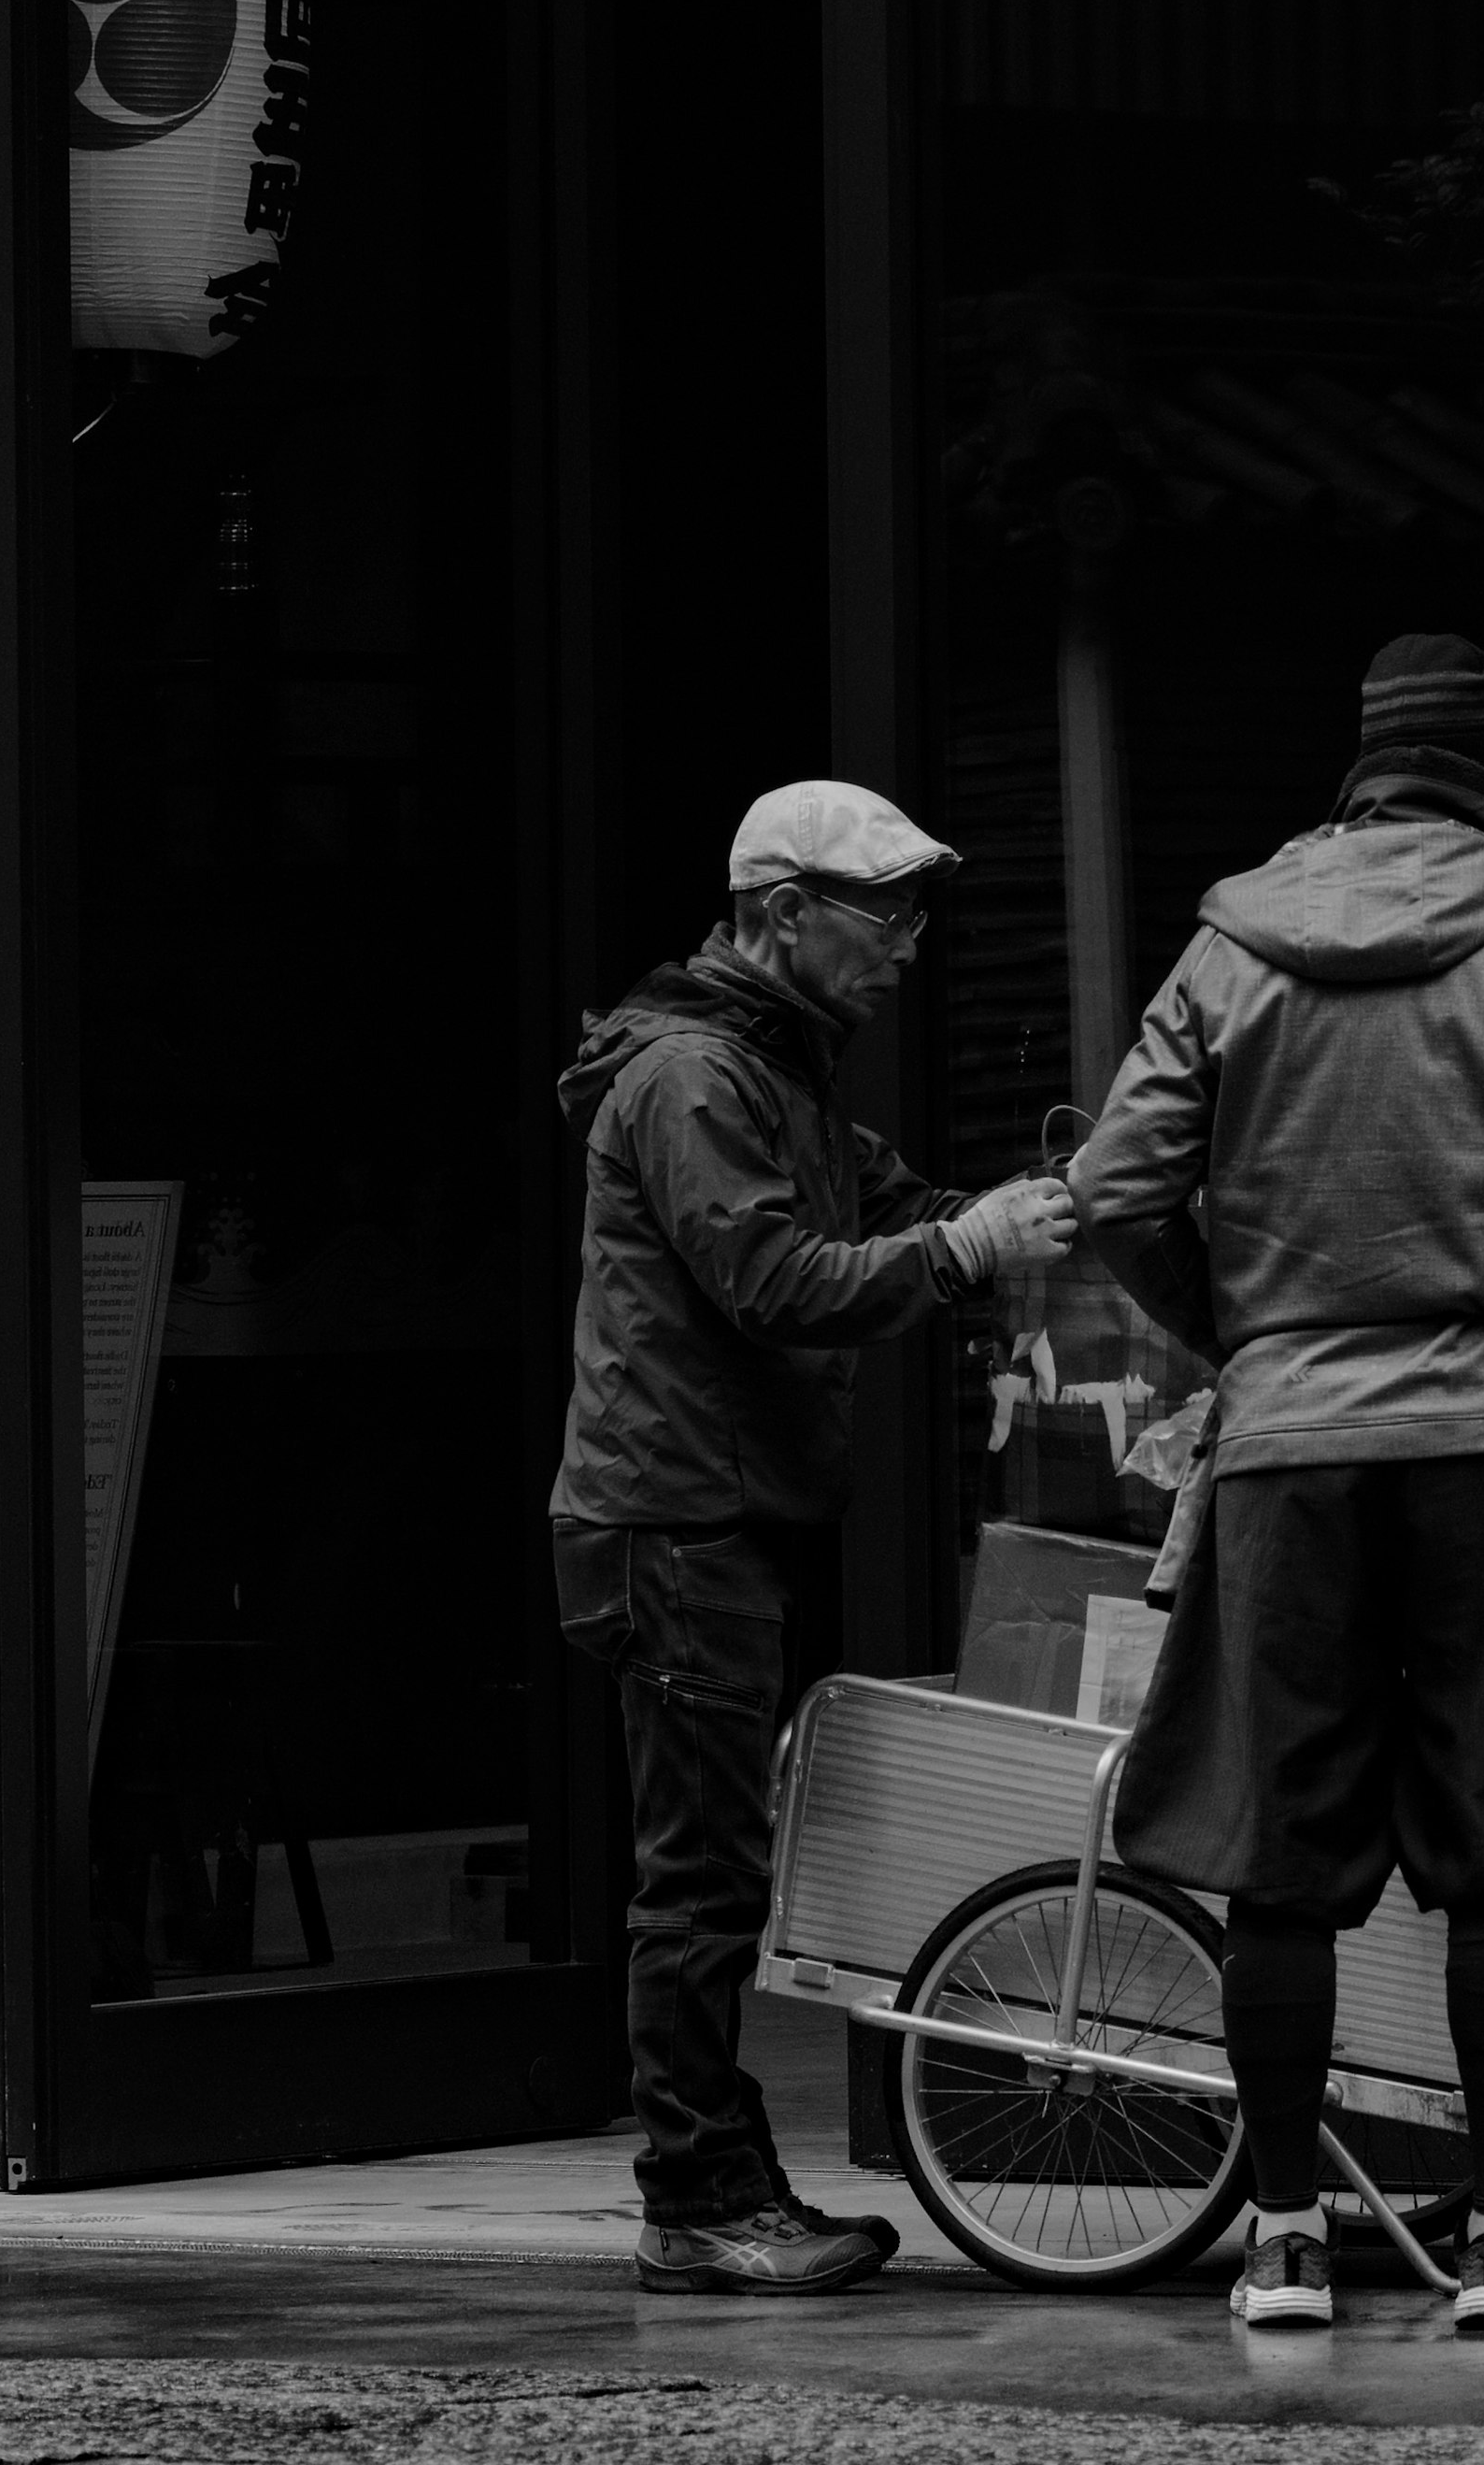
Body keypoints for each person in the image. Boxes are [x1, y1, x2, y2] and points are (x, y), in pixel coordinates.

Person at [1074, 634, 1484, 2333]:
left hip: (1288, 1450)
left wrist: (1240, 1334)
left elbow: (1113, 1187)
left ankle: (1281, 2241)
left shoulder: (1229, 944)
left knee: (1280, 1856)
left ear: (1359, 771)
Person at [549, 780, 1076, 2296]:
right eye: (885, 914)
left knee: (719, 1870)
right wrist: (964, 1250)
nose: (910, 945)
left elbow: (887, 1200)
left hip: (716, 1513)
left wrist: (1037, 1208)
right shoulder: (697, 1077)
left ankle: (716, 2186)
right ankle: (698, 2199)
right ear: (783, 916)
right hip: (675, 1521)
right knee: (700, 1883)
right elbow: (778, 1277)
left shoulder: (771, 1070)